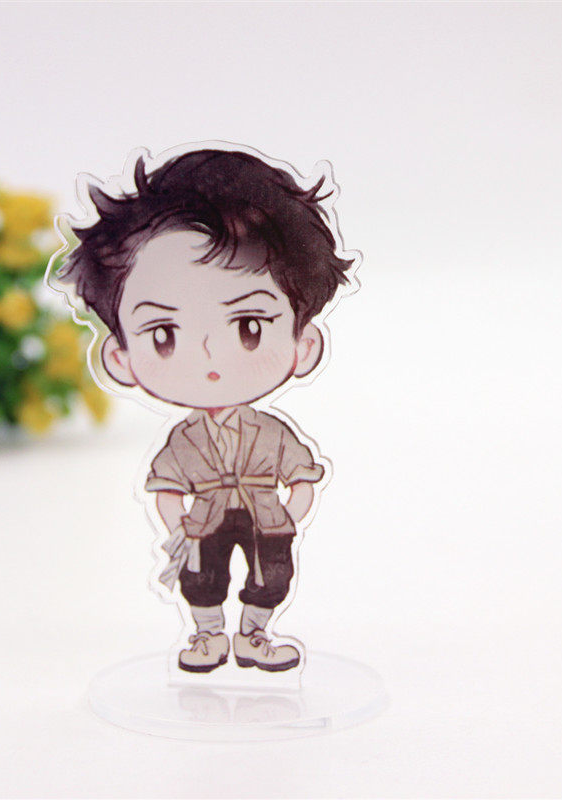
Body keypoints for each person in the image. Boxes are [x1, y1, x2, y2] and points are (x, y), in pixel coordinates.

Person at [59, 147, 354, 672]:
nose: (210, 359)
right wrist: (180, 525)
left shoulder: (273, 435)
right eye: (165, 335)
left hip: (266, 517)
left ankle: (254, 636)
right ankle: (208, 636)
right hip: (206, 520)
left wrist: (290, 515)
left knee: (272, 576)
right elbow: (168, 488)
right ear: (120, 357)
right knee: (201, 577)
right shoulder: (183, 442)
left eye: (248, 328)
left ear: (303, 344)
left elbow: (302, 478)